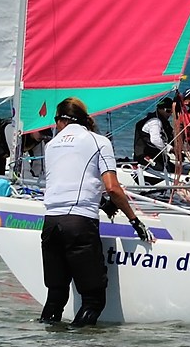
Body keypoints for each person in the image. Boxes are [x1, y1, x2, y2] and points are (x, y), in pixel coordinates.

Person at [39, 97, 151, 326]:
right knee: (93, 300)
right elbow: (112, 187)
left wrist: (102, 203)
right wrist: (135, 220)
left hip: (50, 224)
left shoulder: (51, 145)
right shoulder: (98, 141)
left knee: (56, 296)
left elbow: (68, 182)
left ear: (60, 121)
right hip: (79, 225)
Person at [133, 98, 175, 167]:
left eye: (172, 111)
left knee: (172, 166)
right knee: (169, 168)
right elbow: (155, 140)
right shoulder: (155, 121)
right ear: (159, 109)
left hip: (153, 156)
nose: (170, 114)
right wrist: (170, 149)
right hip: (146, 158)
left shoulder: (163, 121)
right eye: (168, 111)